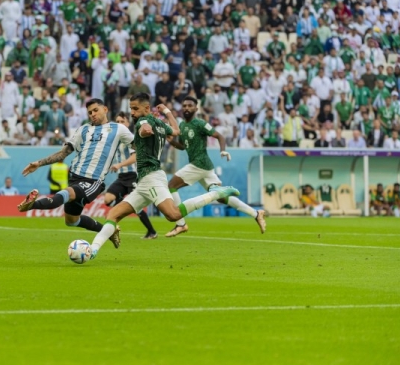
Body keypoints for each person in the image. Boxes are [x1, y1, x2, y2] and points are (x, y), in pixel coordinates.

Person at [86, 93, 239, 260]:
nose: (132, 112)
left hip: (152, 177)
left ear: (146, 108)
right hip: (144, 181)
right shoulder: (159, 123)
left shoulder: (144, 122)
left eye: (135, 109)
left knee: (173, 215)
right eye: (131, 109)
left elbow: (145, 128)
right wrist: (167, 112)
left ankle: (216, 193)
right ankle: (92, 250)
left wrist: (146, 129)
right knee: (113, 215)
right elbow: (176, 130)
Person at [17, 98, 137, 247]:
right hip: (74, 177)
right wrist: (39, 163)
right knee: (71, 221)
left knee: (66, 193)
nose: (92, 114)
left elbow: (138, 146)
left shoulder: (118, 129)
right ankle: (110, 231)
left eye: (95, 110)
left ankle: (32, 205)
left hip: (93, 180)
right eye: (89, 112)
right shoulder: (83, 130)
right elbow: (63, 153)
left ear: (105, 109)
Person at [166, 96, 266, 236]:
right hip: (204, 167)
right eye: (184, 105)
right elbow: (183, 146)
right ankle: (256, 213)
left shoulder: (200, 123)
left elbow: (220, 136)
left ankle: (181, 224)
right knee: (221, 197)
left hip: (199, 164)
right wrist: (172, 142)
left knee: (171, 186)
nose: (186, 108)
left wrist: (223, 150)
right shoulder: (182, 125)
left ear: (196, 108)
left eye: (190, 106)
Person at [104, 112, 158, 239]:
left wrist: (120, 165)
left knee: (137, 207)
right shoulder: (116, 140)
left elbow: (135, 157)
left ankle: (152, 231)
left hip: (133, 176)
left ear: (127, 123)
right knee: (107, 199)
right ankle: (120, 208)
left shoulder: (131, 138)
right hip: (121, 177)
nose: (119, 124)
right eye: (117, 121)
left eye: (122, 121)